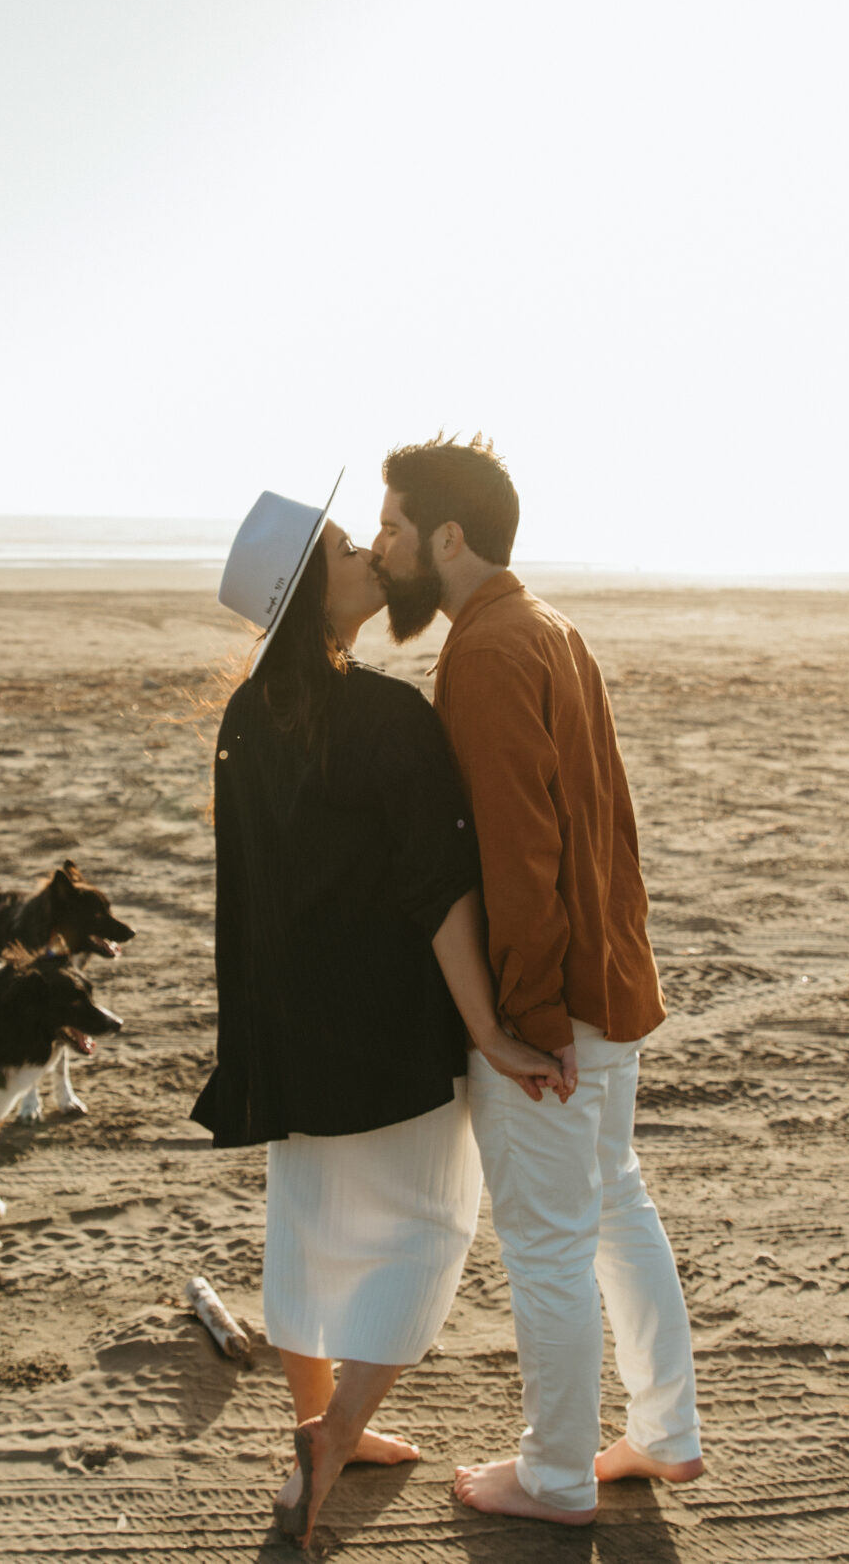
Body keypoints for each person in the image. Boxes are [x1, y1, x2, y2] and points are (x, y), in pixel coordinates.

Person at [191, 481, 568, 1548]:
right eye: (351, 549)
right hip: (391, 1029)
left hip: (294, 1033)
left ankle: (319, 1423)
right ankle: (334, 1430)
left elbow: (247, 894)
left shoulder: (246, 715)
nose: (370, 557)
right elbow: (438, 887)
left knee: (307, 1238)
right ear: (318, 591)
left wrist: (256, 1041)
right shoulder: (386, 714)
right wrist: (488, 1029)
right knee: (423, 1234)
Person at [370, 435, 705, 1526]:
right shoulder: (551, 627)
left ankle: (555, 1477)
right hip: (612, 986)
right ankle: (664, 1435)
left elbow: (517, 854)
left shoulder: (485, 651)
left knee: (551, 1243)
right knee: (614, 1205)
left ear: (447, 538)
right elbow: (600, 829)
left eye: (394, 527)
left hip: (557, 1003)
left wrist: (529, 1018)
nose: (382, 549)